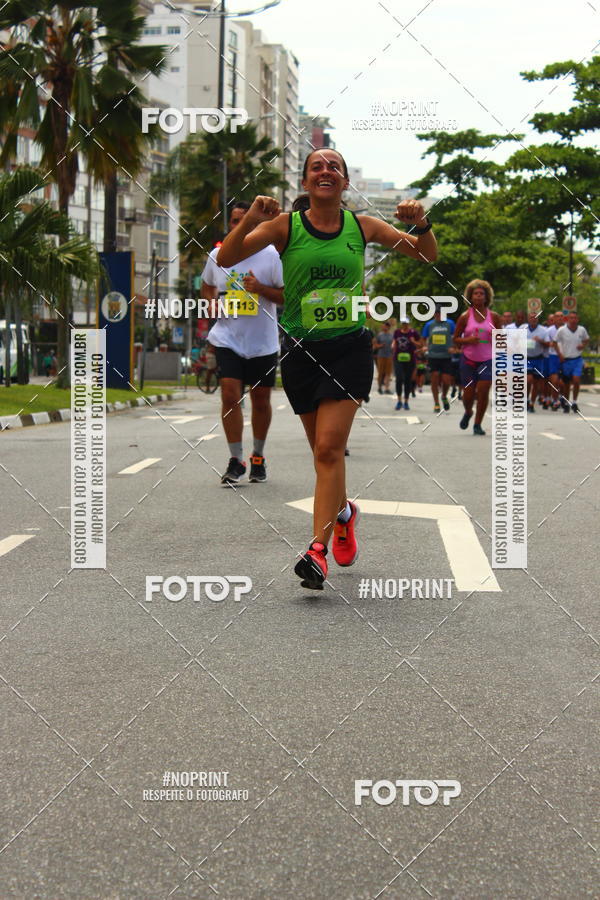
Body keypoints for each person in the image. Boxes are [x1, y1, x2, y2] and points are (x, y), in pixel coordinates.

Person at [217, 147, 437, 589]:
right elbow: (226, 258)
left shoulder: (362, 226)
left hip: (349, 350)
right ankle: (344, 513)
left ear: (345, 182)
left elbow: (426, 255)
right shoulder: (284, 227)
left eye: (333, 166)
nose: (325, 171)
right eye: (316, 166)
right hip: (300, 353)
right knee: (324, 456)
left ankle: (315, 552)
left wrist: (422, 224)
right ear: (305, 182)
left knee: (327, 450)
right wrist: (251, 217)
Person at [202, 201, 284, 484]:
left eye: (246, 220)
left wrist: (260, 289)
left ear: (257, 223)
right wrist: (211, 304)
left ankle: (257, 456)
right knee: (229, 395)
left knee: (261, 400)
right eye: (235, 221)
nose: (240, 225)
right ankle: (235, 459)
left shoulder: (271, 255)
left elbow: (286, 296)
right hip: (227, 338)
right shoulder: (217, 255)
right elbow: (207, 285)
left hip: (263, 341)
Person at [453, 279, 501, 435]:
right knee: (468, 394)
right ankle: (468, 412)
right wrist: (468, 340)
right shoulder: (465, 317)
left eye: (482, 294)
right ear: (470, 297)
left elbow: (500, 338)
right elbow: (455, 339)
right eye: (476, 294)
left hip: (488, 358)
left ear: (487, 297)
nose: (479, 296)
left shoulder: (494, 317)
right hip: (468, 359)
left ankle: (477, 424)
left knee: (483, 390)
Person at [421, 304, 455, 412]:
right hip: (433, 355)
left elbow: (456, 336)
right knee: (434, 377)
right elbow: (423, 338)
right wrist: (424, 347)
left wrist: (453, 347)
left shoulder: (450, 324)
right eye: (436, 313)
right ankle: (436, 403)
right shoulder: (429, 325)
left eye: (440, 313)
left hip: (446, 356)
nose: (438, 315)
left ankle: (444, 396)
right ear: (434, 314)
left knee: (446, 380)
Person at [553, 311, 589, 413]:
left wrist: (583, 345)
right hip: (566, 360)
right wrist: (559, 354)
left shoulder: (581, 330)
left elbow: (586, 340)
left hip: (577, 359)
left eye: (575, 318)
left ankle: (575, 401)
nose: (573, 320)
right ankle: (566, 402)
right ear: (567, 319)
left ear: (578, 319)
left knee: (576, 380)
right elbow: (554, 342)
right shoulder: (562, 330)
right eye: (571, 318)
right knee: (566, 384)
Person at [520, 308, 549, 412]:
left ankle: (532, 403)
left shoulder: (543, 330)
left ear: (538, 319)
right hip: (526, 358)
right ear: (528, 318)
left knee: (536, 383)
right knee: (528, 380)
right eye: (531, 317)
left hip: (538, 358)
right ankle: (526, 400)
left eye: (535, 318)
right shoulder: (523, 328)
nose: (533, 319)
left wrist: (540, 341)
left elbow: (548, 345)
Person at [393, 317, 420, 410]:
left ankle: (406, 401)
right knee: (399, 379)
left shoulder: (413, 333)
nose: (405, 325)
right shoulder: (397, 332)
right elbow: (395, 342)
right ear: (401, 324)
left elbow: (421, 344)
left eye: (406, 323)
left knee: (408, 380)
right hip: (398, 358)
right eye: (403, 323)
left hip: (410, 359)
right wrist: (393, 345)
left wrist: (414, 342)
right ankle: (399, 400)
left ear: (409, 324)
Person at [373, 321, 394, 394]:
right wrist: (380, 346)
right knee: (380, 373)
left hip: (389, 356)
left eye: (386, 326)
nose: (385, 327)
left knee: (388, 373)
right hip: (381, 356)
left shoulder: (392, 335)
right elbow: (375, 345)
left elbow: (394, 345)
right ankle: (379, 387)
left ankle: (387, 388)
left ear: (388, 327)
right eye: (384, 326)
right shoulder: (379, 335)